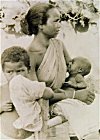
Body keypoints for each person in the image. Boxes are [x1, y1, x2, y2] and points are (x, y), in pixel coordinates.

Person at [20, 2, 95, 140]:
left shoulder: (58, 45)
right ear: (40, 25)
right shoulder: (30, 56)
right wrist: (74, 95)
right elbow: (36, 95)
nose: (59, 25)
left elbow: (74, 71)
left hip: (63, 99)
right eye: (55, 21)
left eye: (60, 20)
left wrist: (81, 84)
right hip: (44, 107)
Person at [0, 46, 54, 139]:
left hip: (29, 136)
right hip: (5, 136)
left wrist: (44, 91)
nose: (15, 76)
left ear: (28, 70)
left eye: (20, 71)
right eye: (9, 72)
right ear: (3, 72)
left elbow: (49, 93)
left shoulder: (30, 87)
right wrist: (0, 108)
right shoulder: (1, 89)